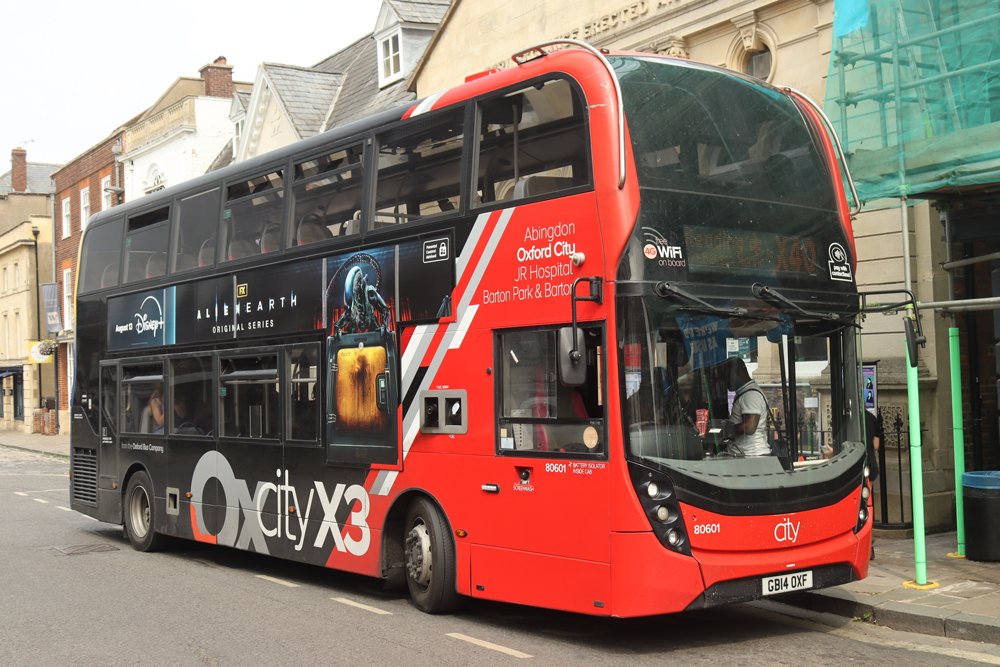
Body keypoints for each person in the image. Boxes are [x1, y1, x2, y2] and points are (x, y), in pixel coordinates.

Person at [726, 358, 770, 456]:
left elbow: (749, 427)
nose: (726, 381)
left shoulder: (751, 395)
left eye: (727, 376)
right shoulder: (745, 393)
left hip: (751, 455)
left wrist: (724, 429)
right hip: (747, 454)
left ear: (738, 373)